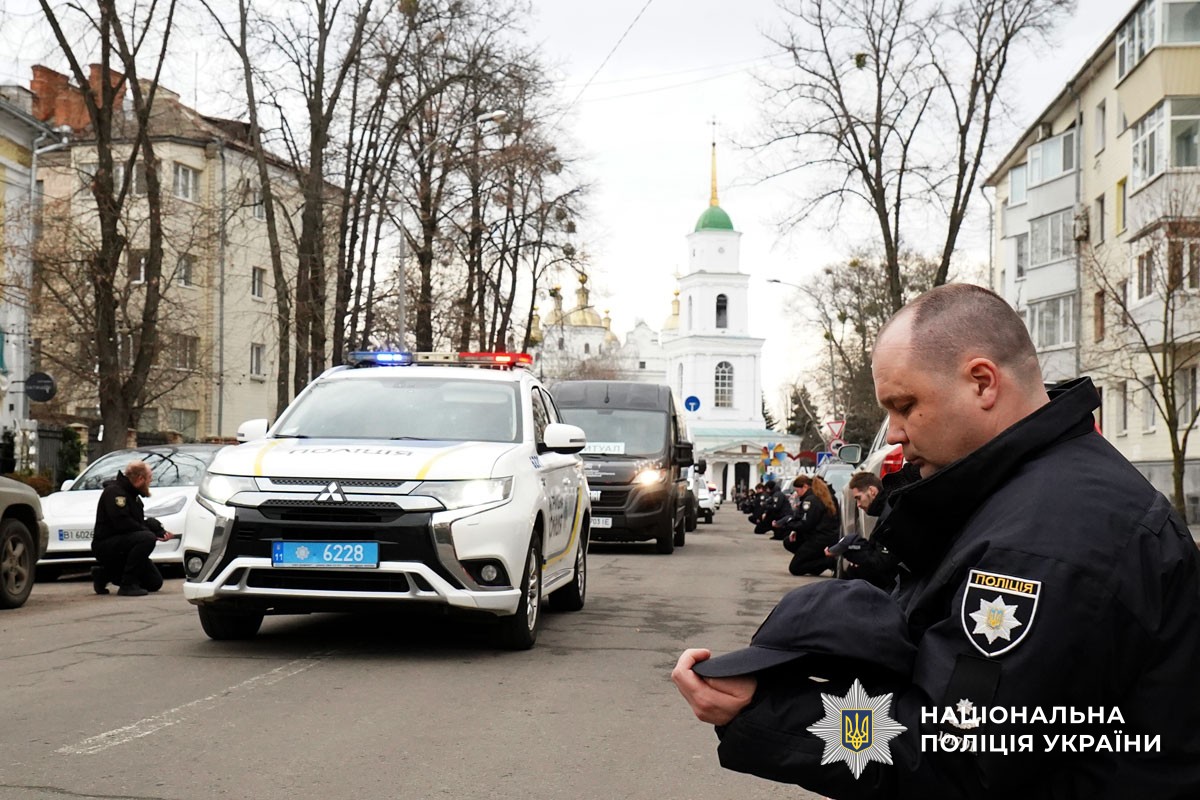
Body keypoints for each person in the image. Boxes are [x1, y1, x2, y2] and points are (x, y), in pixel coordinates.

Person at [672, 284, 1200, 798]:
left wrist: (768, 712)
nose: (895, 432)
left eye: (904, 405)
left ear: (982, 383)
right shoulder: (1023, 495)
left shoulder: (1049, 539)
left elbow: (956, 752)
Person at [91, 460, 175, 597]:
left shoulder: (133, 495)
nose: (150, 482)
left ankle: (104, 574)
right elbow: (123, 523)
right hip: (106, 545)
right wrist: (149, 533)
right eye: (149, 478)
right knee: (147, 538)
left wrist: (157, 530)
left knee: (154, 583)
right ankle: (127, 585)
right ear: (140, 479)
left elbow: (137, 523)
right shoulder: (115, 493)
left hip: (123, 544)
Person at [775, 475, 839, 575]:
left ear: (805, 487)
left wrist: (788, 524)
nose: (797, 494)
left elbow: (806, 524)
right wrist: (795, 530)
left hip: (819, 539)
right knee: (789, 542)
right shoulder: (824, 496)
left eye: (797, 491)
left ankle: (829, 562)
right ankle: (816, 564)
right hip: (827, 537)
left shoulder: (811, 500)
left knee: (795, 568)